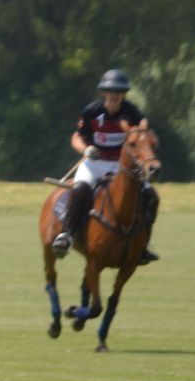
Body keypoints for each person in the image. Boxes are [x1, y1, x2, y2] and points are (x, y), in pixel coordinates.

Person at [53, 68, 160, 261]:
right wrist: (85, 149)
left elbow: (148, 136)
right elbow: (77, 137)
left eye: (119, 92)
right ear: (104, 93)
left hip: (122, 166)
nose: (114, 96)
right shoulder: (92, 112)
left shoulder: (133, 113)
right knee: (80, 190)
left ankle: (142, 245)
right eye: (111, 91)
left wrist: (148, 141)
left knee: (151, 196)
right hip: (94, 164)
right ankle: (66, 234)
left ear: (124, 94)